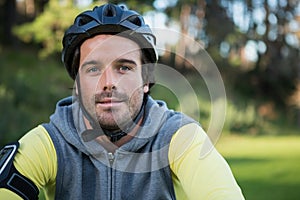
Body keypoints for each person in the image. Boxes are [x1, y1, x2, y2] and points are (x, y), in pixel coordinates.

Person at [0, 3, 245, 200]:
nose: (108, 82)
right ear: (77, 82)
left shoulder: (179, 138)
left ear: (146, 79)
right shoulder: (50, 143)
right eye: (93, 69)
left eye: (124, 67)